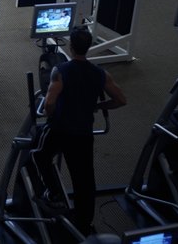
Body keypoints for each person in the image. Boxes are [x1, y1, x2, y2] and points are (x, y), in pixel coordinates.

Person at [31, 27, 127, 235]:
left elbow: (49, 104)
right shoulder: (100, 74)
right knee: (84, 178)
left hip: (60, 129)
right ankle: (84, 222)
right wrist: (98, 107)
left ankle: (54, 193)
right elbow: (120, 100)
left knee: (39, 155)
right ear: (88, 47)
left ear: (71, 47)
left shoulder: (60, 71)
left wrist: (51, 115)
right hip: (83, 133)